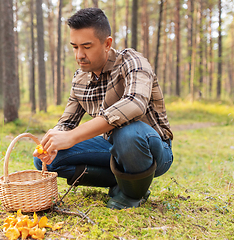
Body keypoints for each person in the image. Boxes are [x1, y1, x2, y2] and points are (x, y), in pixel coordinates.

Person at [33, 8, 173, 209]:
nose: (79, 55)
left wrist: (74, 136)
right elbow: (67, 123)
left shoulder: (132, 62)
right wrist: (55, 139)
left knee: (129, 133)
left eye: (87, 47)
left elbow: (135, 103)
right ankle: (122, 182)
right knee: (47, 161)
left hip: (153, 148)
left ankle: (131, 194)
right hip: (112, 148)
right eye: (75, 47)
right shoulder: (80, 78)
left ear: (107, 44)